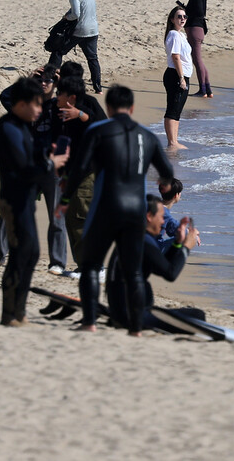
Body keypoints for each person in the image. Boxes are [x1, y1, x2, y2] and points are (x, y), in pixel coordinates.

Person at [56, 85, 174, 336]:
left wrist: (66, 198)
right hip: (135, 212)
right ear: (131, 108)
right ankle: (135, 328)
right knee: (133, 273)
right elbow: (167, 175)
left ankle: (90, 321)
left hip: (105, 207)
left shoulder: (98, 130)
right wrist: (162, 187)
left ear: (108, 108)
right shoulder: (147, 136)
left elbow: (79, 168)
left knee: (90, 266)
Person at [0, 76, 69, 325]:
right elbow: (24, 168)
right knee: (19, 255)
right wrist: (51, 164)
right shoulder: (8, 128)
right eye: (35, 104)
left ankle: (19, 311)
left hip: (23, 197)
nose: (39, 109)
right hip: (13, 200)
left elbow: (32, 154)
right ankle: (9, 313)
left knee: (31, 253)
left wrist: (48, 153)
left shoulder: (23, 125)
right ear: (21, 104)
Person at [0, 66, 68, 274]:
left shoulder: (59, 107)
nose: (44, 83)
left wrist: (60, 82)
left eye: (48, 80)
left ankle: (57, 261)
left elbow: (77, 102)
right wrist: (27, 81)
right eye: (41, 80)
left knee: (56, 216)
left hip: (53, 169)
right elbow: (5, 96)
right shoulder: (26, 107)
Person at [106, 194, 202, 332]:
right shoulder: (144, 241)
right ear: (149, 217)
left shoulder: (133, 237)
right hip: (134, 317)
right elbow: (170, 274)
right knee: (198, 315)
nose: (163, 223)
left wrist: (177, 243)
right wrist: (186, 247)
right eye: (162, 217)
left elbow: (162, 267)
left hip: (122, 312)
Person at [55, 67, 107, 278]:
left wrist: (82, 115)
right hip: (72, 173)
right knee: (72, 219)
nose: (57, 96)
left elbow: (104, 129)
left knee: (82, 217)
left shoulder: (88, 106)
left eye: (60, 93)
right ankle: (84, 265)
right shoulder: (61, 111)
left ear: (72, 97)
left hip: (88, 173)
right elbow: (62, 139)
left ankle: (93, 267)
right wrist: (61, 171)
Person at [48, 0, 102, 93]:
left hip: (80, 30)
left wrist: (66, 17)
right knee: (92, 58)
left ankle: (50, 77)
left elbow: (75, 14)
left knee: (58, 51)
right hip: (93, 29)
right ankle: (98, 88)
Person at [163, 5, 193, 150]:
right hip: (175, 75)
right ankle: (172, 142)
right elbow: (175, 57)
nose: (182, 19)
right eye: (179, 16)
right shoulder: (174, 34)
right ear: (172, 19)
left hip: (183, 74)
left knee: (178, 110)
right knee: (173, 109)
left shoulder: (181, 34)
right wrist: (181, 77)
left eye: (184, 16)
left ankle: (175, 140)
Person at [181, 0, 212, 98]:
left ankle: (203, 90)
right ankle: (207, 89)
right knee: (198, 59)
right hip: (197, 27)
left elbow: (199, 11)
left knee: (197, 59)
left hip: (195, 27)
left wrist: (186, 11)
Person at [158, 178, 183, 245]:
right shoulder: (164, 212)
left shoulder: (152, 204)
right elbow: (176, 229)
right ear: (176, 195)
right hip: (152, 247)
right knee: (184, 237)